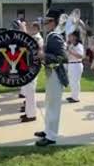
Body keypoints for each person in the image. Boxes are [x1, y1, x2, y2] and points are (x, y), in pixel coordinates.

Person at [34, 9, 68, 146]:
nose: (44, 24)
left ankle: (51, 136)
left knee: (53, 106)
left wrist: (44, 56)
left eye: (47, 21)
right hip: (52, 73)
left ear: (54, 22)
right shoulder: (52, 35)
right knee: (49, 104)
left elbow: (62, 58)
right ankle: (48, 130)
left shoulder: (54, 36)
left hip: (56, 74)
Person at [20, 22, 44, 123]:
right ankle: (28, 113)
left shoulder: (38, 38)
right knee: (28, 93)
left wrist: (23, 29)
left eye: (34, 28)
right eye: (31, 27)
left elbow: (30, 42)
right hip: (29, 67)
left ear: (38, 29)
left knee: (30, 92)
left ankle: (31, 115)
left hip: (33, 67)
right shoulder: (34, 36)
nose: (32, 29)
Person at [66, 30, 84, 103]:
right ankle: (73, 95)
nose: (69, 37)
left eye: (71, 35)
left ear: (75, 37)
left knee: (75, 81)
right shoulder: (71, 45)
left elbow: (80, 56)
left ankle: (76, 98)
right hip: (71, 64)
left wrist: (70, 51)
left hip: (76, 64)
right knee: (71, 81)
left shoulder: (79, 45)